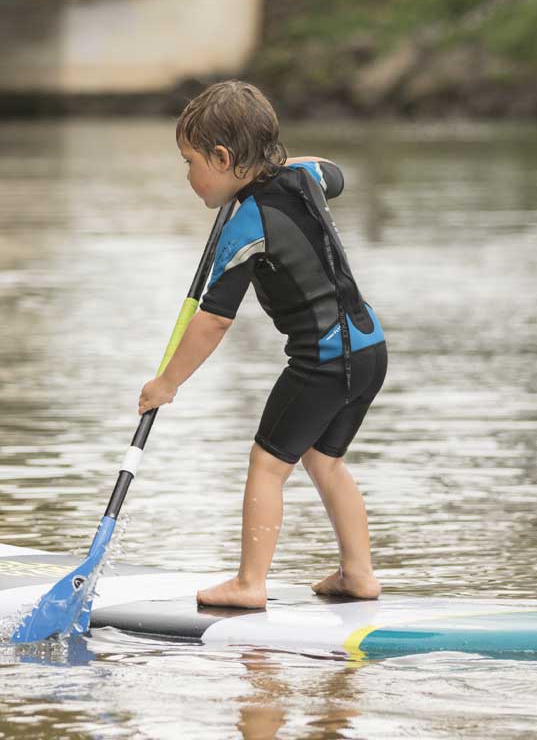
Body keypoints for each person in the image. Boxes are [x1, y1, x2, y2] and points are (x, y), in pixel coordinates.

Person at [138, 81, 387, 608]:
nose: (187, 175)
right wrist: (273, 165)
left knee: (267, 464)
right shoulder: (304, 176)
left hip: (322, 360)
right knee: (325, 461)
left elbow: (214, 321)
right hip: (368, 348)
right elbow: (333, 173)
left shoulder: (245, 225)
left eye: (189, 162)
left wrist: (167, 382)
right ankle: (358, 574)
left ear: (224, 158)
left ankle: (250, 584)